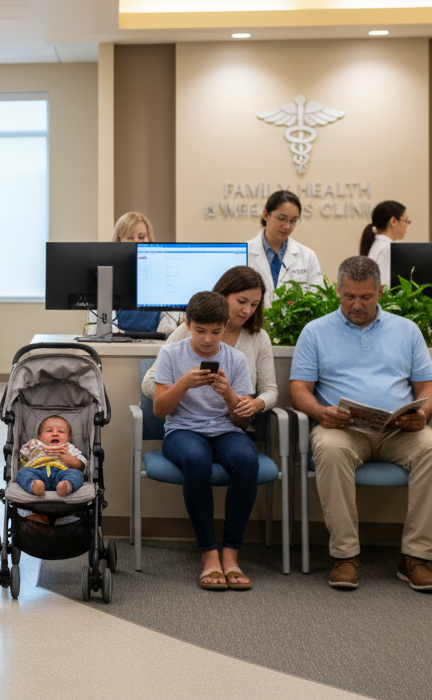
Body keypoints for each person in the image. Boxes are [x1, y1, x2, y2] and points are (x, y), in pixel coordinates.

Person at [289, 256, 432, 593]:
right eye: (349, 296)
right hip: (343, 429)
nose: (357, 305)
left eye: (366, 297)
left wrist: (423, 414)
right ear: (337, 291)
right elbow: (299, 390)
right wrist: (320, 413)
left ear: (380, 291)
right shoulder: (315, 331)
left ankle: (415, 558)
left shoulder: (406, 330)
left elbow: (428, 388)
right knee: (329, 450)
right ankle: (345, 556)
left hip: (399, 432)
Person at [152, 291, 257, 591]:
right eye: (200, 331)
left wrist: (229, 394)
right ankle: (209, 555)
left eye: (215, 331)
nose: (208, 339)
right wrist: (184, 383)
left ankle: (231, 555)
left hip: (225, 429)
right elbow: (160, 410)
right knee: (197, 461)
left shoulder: (236, 359)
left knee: (247, 459)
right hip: (182, 430)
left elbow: (242, 421)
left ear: (225, 325)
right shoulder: (171, 354)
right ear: (187, 324)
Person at [142, 266, 276, 421]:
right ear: (223, 295)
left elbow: (270, 390)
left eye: (254, 304)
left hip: (233, 425)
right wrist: (189, 394)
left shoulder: (258, 338)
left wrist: (257, 403)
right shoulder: (189, 330)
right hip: (188, 424)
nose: (247, 310)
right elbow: (148, 384)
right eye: (241, 301)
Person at [246, 190, 322, 309]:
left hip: (295, 327)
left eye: (293, 221)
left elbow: (318, 298)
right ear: (266, 215)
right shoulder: (245, 252)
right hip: (253, 325)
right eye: (281, 219)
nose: (287, 226)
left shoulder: (307, 256)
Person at [15, 415, 87, 517]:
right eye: (49, 431)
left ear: (69, 438)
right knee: (22, 472)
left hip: (62, 473)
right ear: (39, 437)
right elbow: (21, 456)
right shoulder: (35, 444)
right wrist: (37, 449)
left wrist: (68, 458)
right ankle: (34, 485)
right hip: (36, 472)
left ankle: (66, 485)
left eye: (61, 432)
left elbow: (82, 465)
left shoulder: (68, 448)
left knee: (76, 474)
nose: (55, 434)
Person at [111, 211, 170, 333]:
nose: (137, 242)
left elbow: (170, 318)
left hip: (156, 342)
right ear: (119, 240)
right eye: (130, 238)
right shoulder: (107, 273)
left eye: (142, 237)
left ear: (149, 238)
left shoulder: (162, 270)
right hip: (117, 341)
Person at [360, 200, 410, 289]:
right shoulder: (388, 248)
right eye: (406, 220)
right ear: (393, 221)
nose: (407, 224)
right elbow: (385, 288)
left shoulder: (376, 244)